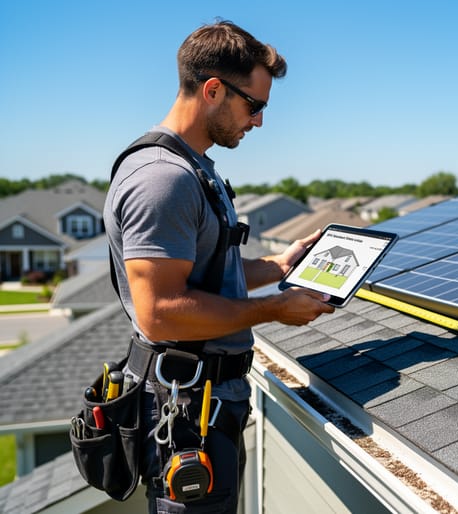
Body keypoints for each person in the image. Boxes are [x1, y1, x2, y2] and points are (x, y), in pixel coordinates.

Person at [103, 20, 335, 513]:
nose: (258, 122)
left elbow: (205, 275)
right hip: (186, 413)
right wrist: (275, 310)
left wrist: (278, 264)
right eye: (255, 105)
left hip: (209, 402)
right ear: (213, 90)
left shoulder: (194, 168)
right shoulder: (162, 180)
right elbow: (161, 312)